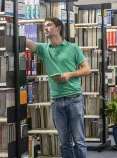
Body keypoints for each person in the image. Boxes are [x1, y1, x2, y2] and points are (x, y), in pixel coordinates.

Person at [26, 17, 90, 158]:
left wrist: (70, 74)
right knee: (64, 142)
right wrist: (11, 24)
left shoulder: (73, 48)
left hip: (74, 99)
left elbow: (87, 70)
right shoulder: (43, 49)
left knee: (79, 141)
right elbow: (27, 43)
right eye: (44, 26)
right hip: (56, 101)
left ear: (58, 28)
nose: (46, 28)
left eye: (49, 25)